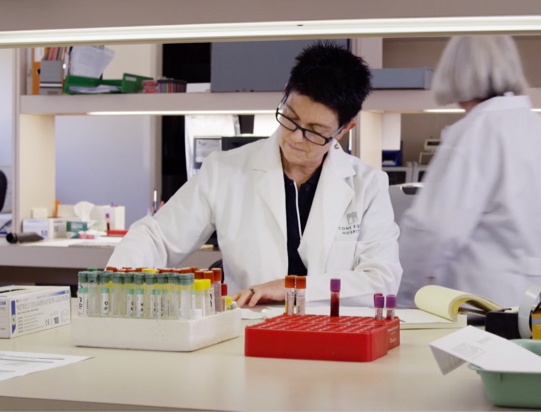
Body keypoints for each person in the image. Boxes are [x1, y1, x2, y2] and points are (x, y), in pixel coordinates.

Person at [106, 41, 402, 307]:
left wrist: (290, 288)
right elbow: (158, 236)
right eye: (290, 118)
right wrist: (114, 284)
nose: (296, 138)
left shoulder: (367, 185)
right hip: (245, 331)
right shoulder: (225, 171)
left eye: (315, 131)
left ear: (345, 128)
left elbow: (381, 280)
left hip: (334, 335)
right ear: (285, 94)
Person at [398, 35, 541, 308]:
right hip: (531, 300)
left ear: (455, 71)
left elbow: (433, 230)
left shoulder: (474, 133)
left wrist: (403, 296)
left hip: (483, 300)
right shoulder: (534, 126)